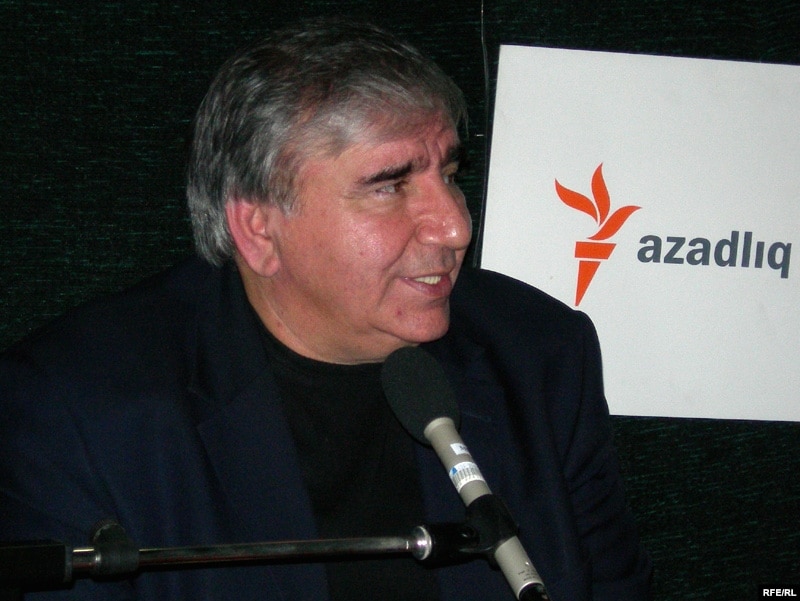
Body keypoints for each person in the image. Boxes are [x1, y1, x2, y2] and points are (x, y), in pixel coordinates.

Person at [0, 18, 652, 601]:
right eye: (390, 186)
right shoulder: (76, 411)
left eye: (449, 174)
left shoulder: (538, 356)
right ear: (258, 229)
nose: (455, 226)